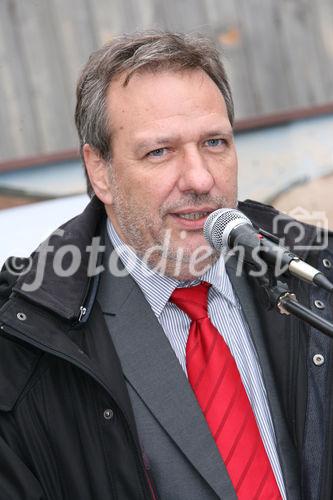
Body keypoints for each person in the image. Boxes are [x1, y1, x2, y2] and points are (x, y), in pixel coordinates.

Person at [0, 31, 332, 500]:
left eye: (215, 143)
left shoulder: (315, 277)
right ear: (101, 172)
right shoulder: (26, 344)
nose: (200, 178)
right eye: (160, 151)